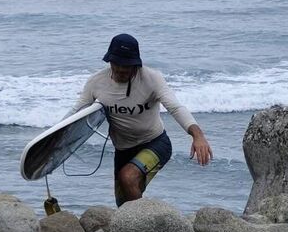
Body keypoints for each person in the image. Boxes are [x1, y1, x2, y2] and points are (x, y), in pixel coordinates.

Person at [72, 33, 212, 206]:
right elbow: (77, 111)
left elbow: (176, 107)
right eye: (117, 65)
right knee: (123, 204)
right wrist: (49, 141)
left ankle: (143, 228)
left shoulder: (152, 79)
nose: (122, 70)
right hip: (123, 150)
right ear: (109, 61)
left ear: (136, 64)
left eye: (127, 66)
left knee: (128, 177)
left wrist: (197, 135)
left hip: (155, 143)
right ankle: (145, 222)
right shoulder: (96, 83)